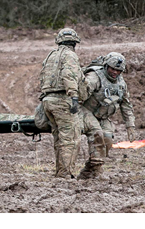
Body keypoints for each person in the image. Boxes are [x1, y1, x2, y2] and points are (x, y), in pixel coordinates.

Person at [77, 52, 137, 179]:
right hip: (86, 111)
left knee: (107, 141)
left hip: (103, 116)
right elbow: (81, 93)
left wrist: (130, 126)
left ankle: (87, 172)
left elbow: (126, 105)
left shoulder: (121, 84)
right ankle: (98, 173)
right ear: (106, 66)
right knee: (97, 135)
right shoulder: (95, 77)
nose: (115, 72)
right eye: (112, 68)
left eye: (118, 70)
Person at [38, 28, 84, 179]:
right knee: (70, 139)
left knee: (58, 138)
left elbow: (42, 77)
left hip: (47, 100)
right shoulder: (70, 56)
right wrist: (74, 96)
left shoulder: (51, 56)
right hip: (62, 100)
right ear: (74, 43)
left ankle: (60, 172)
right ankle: (65, 174)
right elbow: (68, 75)